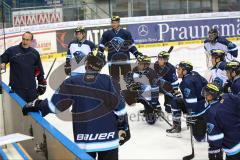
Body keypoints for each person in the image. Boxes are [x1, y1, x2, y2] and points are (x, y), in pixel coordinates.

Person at [22, 51, 130, 160]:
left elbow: (55, 106)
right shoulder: (109, 81)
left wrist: (37, 104)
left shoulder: (72, 81)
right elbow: (120, 109)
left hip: (84, 141)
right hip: (109, 140)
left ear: (86, 64)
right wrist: (124, 127)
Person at [166, 61, 208, 142]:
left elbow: (191, 102)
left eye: (179, 69)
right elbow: (205, 83)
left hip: (198, 111)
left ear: (184, 71)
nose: (177, 71)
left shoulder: (186, 82)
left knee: (199, 138)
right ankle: (176, 126)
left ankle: (208, 129)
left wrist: (190, 115)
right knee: (175, 100)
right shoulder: (194, 73)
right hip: (202, 105)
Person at [98, 16, 142, 90]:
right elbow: (102, 45)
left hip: (125, 60)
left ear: (119, 23)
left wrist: (136, 54)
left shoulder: (126, 33)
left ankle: (129, 95)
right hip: (112, 61)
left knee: (127, 78)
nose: (113, 24)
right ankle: (117, 95)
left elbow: (131, 46)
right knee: (114, 79)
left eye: (115, 22)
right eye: (112, 22)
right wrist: (99, 54)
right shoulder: (107, 34)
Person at [0, 31, 46, 102]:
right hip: (17, 90)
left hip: (31, 90)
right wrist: (2, 63)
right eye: (23, 39)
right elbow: (2, 59)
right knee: (18, 111)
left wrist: (42, 83)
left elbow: (39, 71)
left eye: (27, 40)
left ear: (31, 41)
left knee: (31, 112)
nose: (24, 41)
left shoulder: (35, 53)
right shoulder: (12, 51)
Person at [202, 83, 240, 160]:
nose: (205, 96)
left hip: (233, 148)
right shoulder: (229, 96)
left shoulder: (211, 112)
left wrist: (214, 154)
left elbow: (215, 138)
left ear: (210, 96)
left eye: (206, 93)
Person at [123, 55, 161, 125]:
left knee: (150, 121)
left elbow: (155, 90)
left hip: (148, 98)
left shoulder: (152, 74)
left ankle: (156, 107)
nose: (138, 64)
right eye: (138, 62)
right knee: (123, 94)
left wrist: (154, 103)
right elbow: (127, 77)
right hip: (138, 94)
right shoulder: (135, 69)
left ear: (146, 65)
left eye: (140, 63)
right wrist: (131, 84)